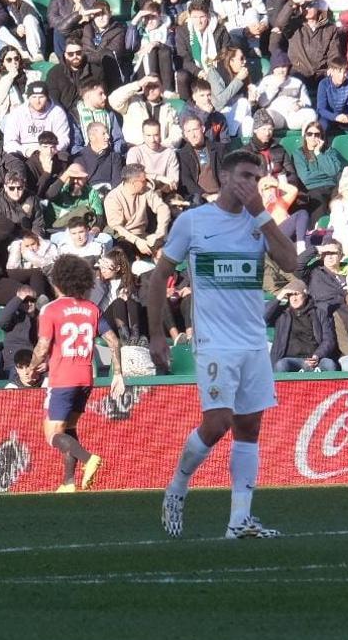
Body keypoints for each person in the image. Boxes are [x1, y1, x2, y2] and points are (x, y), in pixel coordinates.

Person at [146, 151, 299, 539]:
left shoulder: (258, 222)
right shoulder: (194, 222)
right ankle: (178, 486)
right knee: (218, 422)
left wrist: (263, 215)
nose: (252, 182)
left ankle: (239, 521)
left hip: (252, 340)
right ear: (225, 175)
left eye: (258, 176)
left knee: (249, 428)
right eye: (246, 174)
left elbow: (292, 263)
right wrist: (157, 333)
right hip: (215, 341)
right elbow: (160, 275)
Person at [32, 255, 125, 493]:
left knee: (52, 434)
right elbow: (113, 340)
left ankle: (88, 458)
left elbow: (42, 347)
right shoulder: (91, 308)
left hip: (63, 378)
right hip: (85, 378)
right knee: (70, 428)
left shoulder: (51, 309)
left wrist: (34, 365)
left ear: (58, 282)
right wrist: (118, 374)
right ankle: (68, 481)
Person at [266, 279, 339, 372]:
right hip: (290, 360)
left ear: (305, 295)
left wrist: (317, 355)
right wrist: (279, 297)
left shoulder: (319, 313)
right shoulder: (281, 314)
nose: (294, 298)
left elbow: (328, 339)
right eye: (290, 295)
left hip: (315, 359)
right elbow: (262, 318)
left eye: (296, 294)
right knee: (281, 365)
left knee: (329, 364)